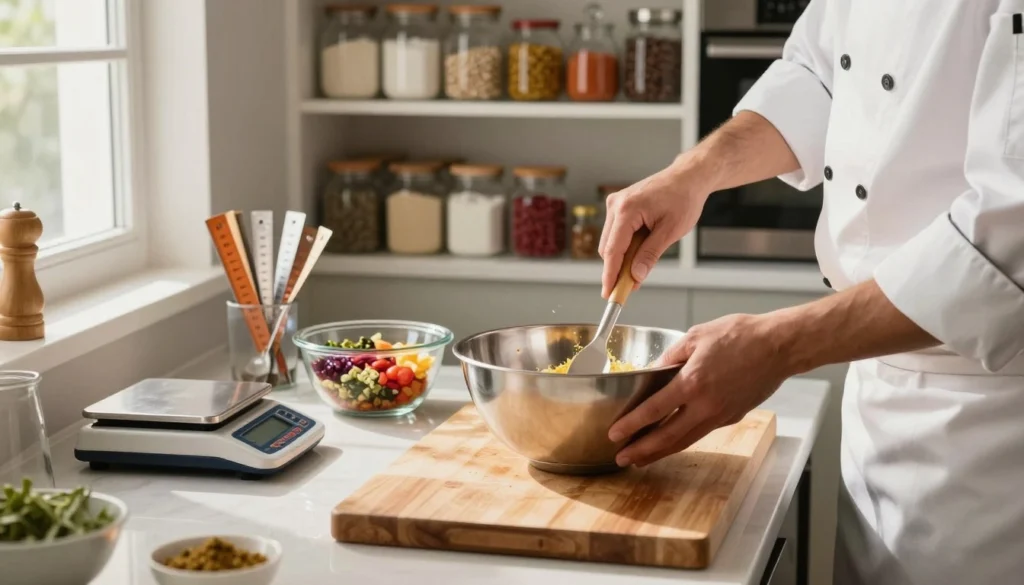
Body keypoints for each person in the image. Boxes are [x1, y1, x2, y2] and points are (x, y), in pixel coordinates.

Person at [599, 2, 1024, 584]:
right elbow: (820, 79)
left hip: (998, 435)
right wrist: (696, 171)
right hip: (877, 400)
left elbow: (1007, 241)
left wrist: (778, 346)